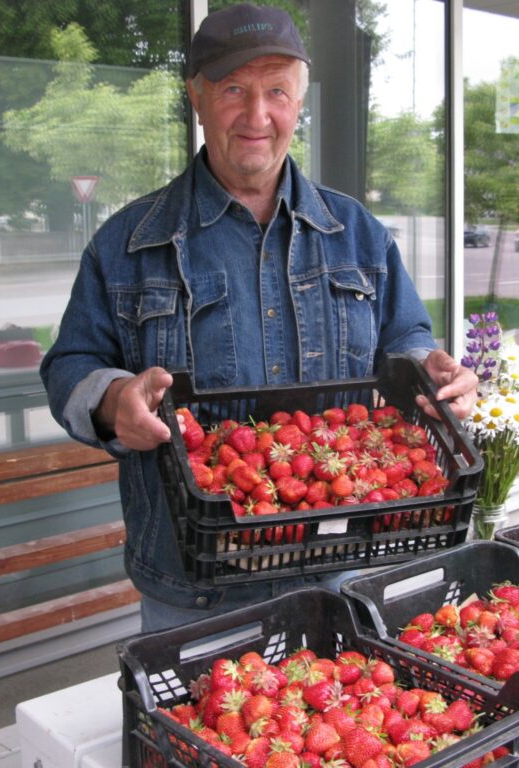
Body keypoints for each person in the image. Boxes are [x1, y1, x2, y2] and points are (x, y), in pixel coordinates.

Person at [40, 2, 477, 632]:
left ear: (299, 101)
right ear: (196, 97)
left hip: (350, 567)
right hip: (198, 587)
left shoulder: (359, 234)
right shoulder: (127, 244)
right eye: (234, 90)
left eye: (276, 91)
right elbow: (70, 366)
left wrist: (428, 368)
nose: (257, 115)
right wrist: (114, 401)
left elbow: (402, 340)